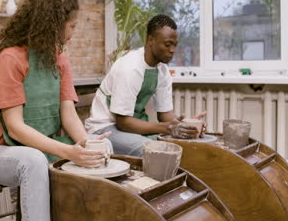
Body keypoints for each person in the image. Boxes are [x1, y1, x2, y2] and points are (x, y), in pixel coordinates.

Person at [0, 0, 108, 221]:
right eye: (72, 26)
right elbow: (16, 127)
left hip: (39, 148)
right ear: (53, 25)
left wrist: (87, 143)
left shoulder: (60, 57)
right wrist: (68, 151)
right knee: (33, 161)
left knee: (103, 148)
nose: (74, 33)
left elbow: (69, 114)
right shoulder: (10, 58)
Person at [85, 14, 205, 157]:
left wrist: (186, 126)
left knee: (178, 146)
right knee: (154, 152)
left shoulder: (162, 70)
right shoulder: (130, 68)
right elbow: (123, 122)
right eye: (167, 44)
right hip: (105, 128)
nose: (172, 50)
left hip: (129, 127)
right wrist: (166, 128)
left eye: (174, 45)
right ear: (151, 40)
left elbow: (165, 115)